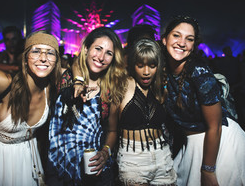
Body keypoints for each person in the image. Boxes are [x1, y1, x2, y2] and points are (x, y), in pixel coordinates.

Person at [160, 16, 245, 185]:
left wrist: (208, 170)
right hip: (191, 145)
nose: (182, 43)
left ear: (193, 46)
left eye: (189, 39)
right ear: (164, 39)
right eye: (176, 35)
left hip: (219, 143)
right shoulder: (162, 69)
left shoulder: (199, 72)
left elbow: (215, 126)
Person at [0, 31, 62, 186]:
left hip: (27, 158)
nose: (43, 57)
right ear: (25, 57)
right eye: (36, 51)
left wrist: (79, 80)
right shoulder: (5, 83)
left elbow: (80, 69)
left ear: (56, 61)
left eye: (50, 53)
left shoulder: (52, 88)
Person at [47, 27, 128, 186]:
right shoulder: (64, 78)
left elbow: (112, 131)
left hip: (92, 174)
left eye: (108, 53)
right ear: (86, 49)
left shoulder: (110, 92)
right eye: (98, 49)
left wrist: (106, 152)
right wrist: (77, 79)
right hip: (57, 169)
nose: (101, 57)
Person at [117, 38, 177, 185]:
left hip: (163, 155)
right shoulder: (124, 84)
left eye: (152, 66)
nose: (146, 72)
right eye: (140, 65)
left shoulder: (160, 89)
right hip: (133, 159)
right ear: (132, 65)